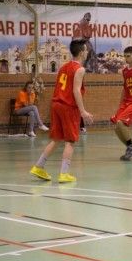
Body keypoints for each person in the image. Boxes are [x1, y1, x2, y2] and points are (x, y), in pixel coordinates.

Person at [29, 40, 93, 183]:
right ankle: (64, 174)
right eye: (86, 49)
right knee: (70, 141)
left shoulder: (64, 67)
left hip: (56, 104)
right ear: (82, 52)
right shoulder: (80, 69)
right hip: (68, 106)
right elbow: (76, 91)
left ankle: (38, 166)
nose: (87, 51)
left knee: (56, 139)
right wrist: (83, 111)